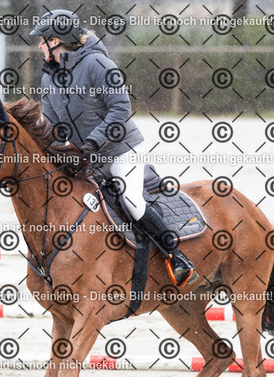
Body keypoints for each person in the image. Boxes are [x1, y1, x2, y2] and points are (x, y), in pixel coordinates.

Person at [30, 9, 197, 286]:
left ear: (57, 40)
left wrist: (92, 143)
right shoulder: (49, 79)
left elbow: (120, 109)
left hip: (121, 151)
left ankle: (176, 257)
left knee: (132, 201)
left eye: (42, 40)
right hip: (87, 157)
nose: (39, 46)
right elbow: (53, 127)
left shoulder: (97, 64)